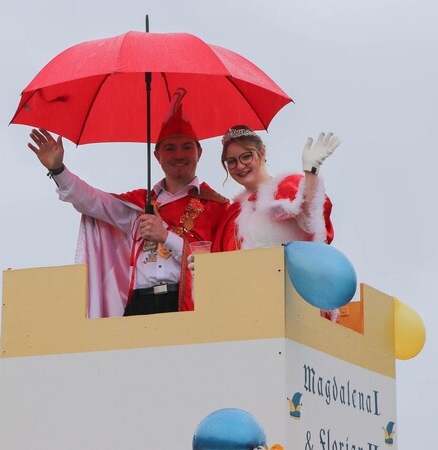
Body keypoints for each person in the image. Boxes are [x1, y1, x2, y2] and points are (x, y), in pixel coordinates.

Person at [27, 92, 229, 318]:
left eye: (186, 147)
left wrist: (166, 237)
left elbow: (220, 267)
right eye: (170, 148)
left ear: (199, 152)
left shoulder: (217, 207)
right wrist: (58, 170)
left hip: (188, 306)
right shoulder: (139, 204)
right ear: (157, 155)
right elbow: (92, 201)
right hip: (139, 304)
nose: (178, 155)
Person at [211, 125, 341, 320]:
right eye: (231, 161)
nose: (239, 166)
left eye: (246, 156)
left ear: (262, 153)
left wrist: (311, 173)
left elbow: (310, 221)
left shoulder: (288, 186)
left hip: (293, 303)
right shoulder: (232, 214)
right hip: (248, 309)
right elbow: (225, 267)